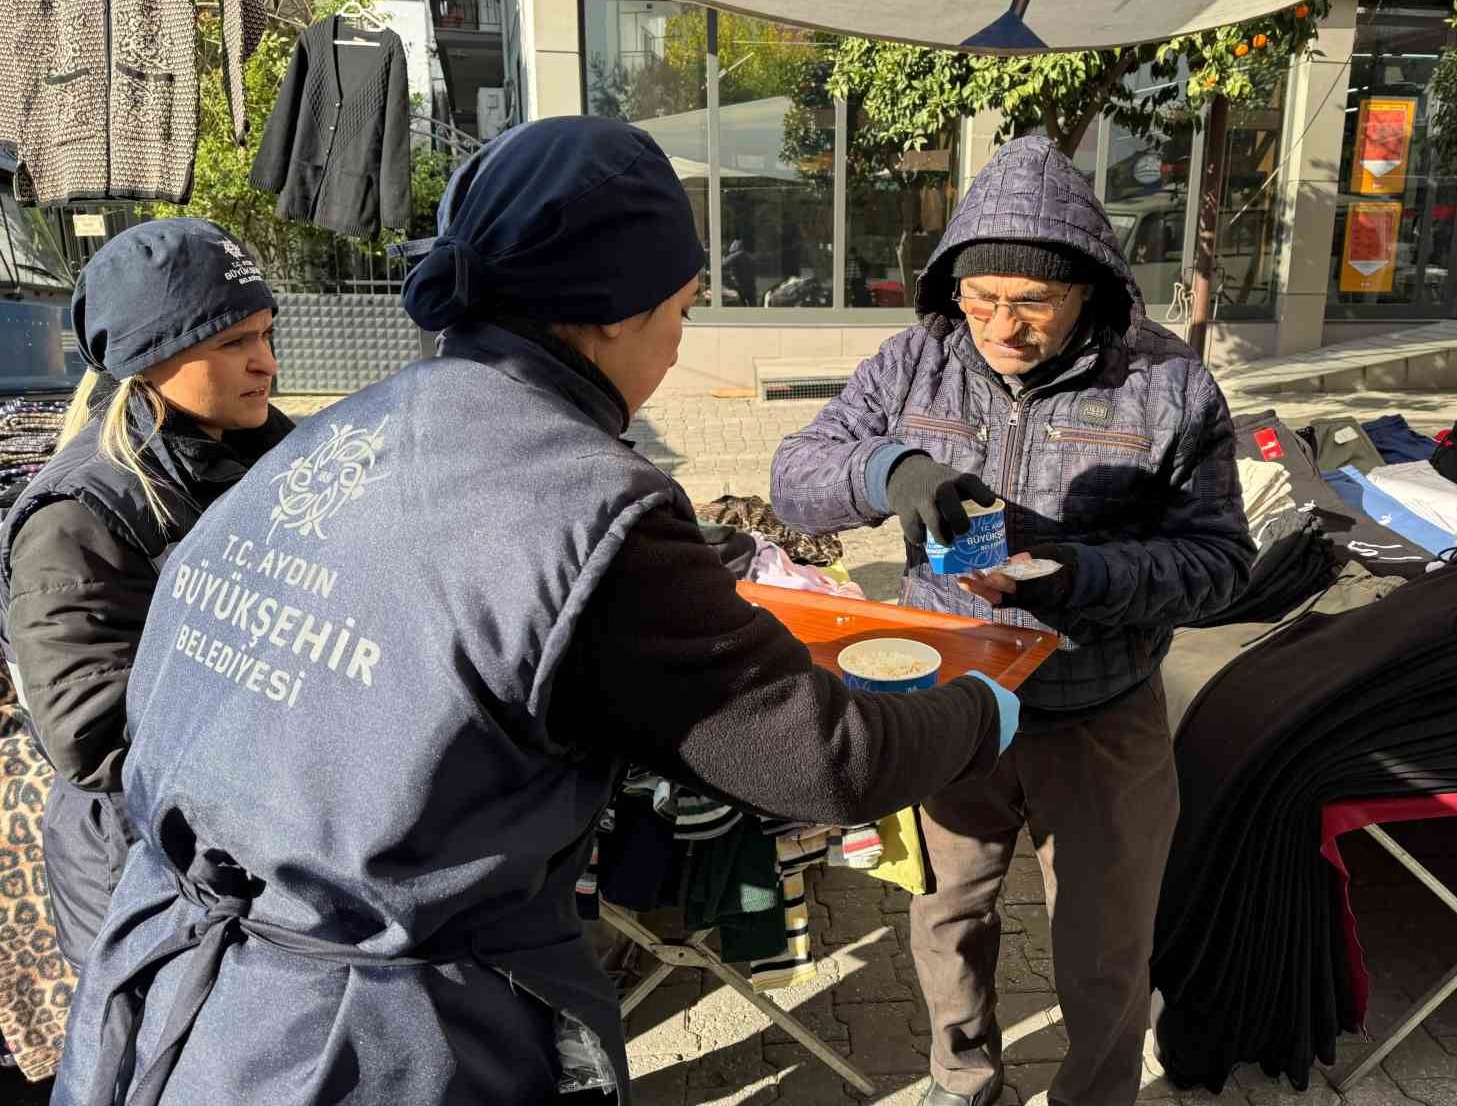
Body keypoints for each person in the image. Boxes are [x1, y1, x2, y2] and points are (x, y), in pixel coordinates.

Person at [49, 116, 1021, 1106]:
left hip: (167, 995)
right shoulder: (590, 504)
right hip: (370, 1045)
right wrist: (983, 707)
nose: (678, 350)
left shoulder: (341, 432)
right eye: (679, 313)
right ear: (607, 314)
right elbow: (827, 758)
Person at [770, 134, 1251, 1106]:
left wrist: (1083, 574)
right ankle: (961, 1077)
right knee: (946, 912)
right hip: (950, 703)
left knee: (1104, 946)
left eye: (1031, 302)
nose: (1002, 327)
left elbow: (1221, 565)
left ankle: (1096, 1094)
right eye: (980, 299)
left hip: (1102, 713)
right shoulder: (913, 363)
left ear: (1091, 290)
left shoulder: (1168, 385)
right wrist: (889, 473)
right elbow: (795, 475)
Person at [0, 218, 292, 972]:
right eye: (232, 343)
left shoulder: (272, 456)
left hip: (251, 850)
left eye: (266, 334)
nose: (265, 363)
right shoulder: (79, 514)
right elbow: (90, 736)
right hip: (149, 877)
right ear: (149, 357)